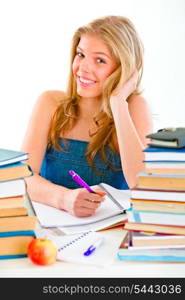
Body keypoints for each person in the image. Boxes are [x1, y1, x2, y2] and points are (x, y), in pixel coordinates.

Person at [21, 15, 153, 217]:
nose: (83, 68)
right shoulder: (50, 103)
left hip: (108, 234)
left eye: (100, 60)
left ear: (123, 69)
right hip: (51, 230)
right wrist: (64, 198)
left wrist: (118, 103)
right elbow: (23, 177)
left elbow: (141, 183)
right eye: (80, 54)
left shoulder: (133, 107)